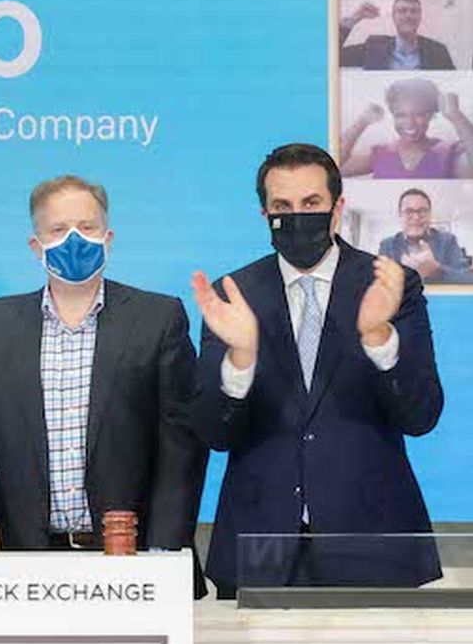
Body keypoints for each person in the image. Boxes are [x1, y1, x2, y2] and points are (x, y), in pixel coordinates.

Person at [188, 143, 443, 592]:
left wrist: (379, 339)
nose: (297, 216)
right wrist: (242, 359)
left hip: (373, 543)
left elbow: (421, 416)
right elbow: (215, 433)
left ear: (337, 208)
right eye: (282, 206)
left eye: (311, 204)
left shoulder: (388, 285)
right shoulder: (235, 294)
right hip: (259, 548)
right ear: (264, 213)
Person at [0, 175, 202, 565]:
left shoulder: (158, 319)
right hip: (19, 558)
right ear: (37, 246)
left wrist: (162, 553)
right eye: (58, 229)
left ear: (108, 238)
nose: (74, 240)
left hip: (129, 559)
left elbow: (180, 446)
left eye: (87, 227)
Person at [337, 78, 473, 180]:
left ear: (431, 114)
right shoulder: (379, 153)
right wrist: (362, 122)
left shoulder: (449, 152)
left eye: (419, 114)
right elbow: (333, 166)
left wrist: (456, 115)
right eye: (401, 115)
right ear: (393, 115)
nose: (410, 123)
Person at [375, 188, 473, 285]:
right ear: (400, 215)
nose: (416, 217)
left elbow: (471, 279)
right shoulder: (387, 245)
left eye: (422, 211)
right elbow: (378, 283)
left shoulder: (447, 241)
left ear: (430, 214)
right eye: (409, 211)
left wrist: (436, 270)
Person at [337, 0, 456, 70]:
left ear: (420, 17)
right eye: (402, 10)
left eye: (414, 11)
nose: (408, 15)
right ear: (393, 17)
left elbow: (455, 84)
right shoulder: (373, 47)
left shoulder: (439, 51)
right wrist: (352, 20)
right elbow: (333, 59)